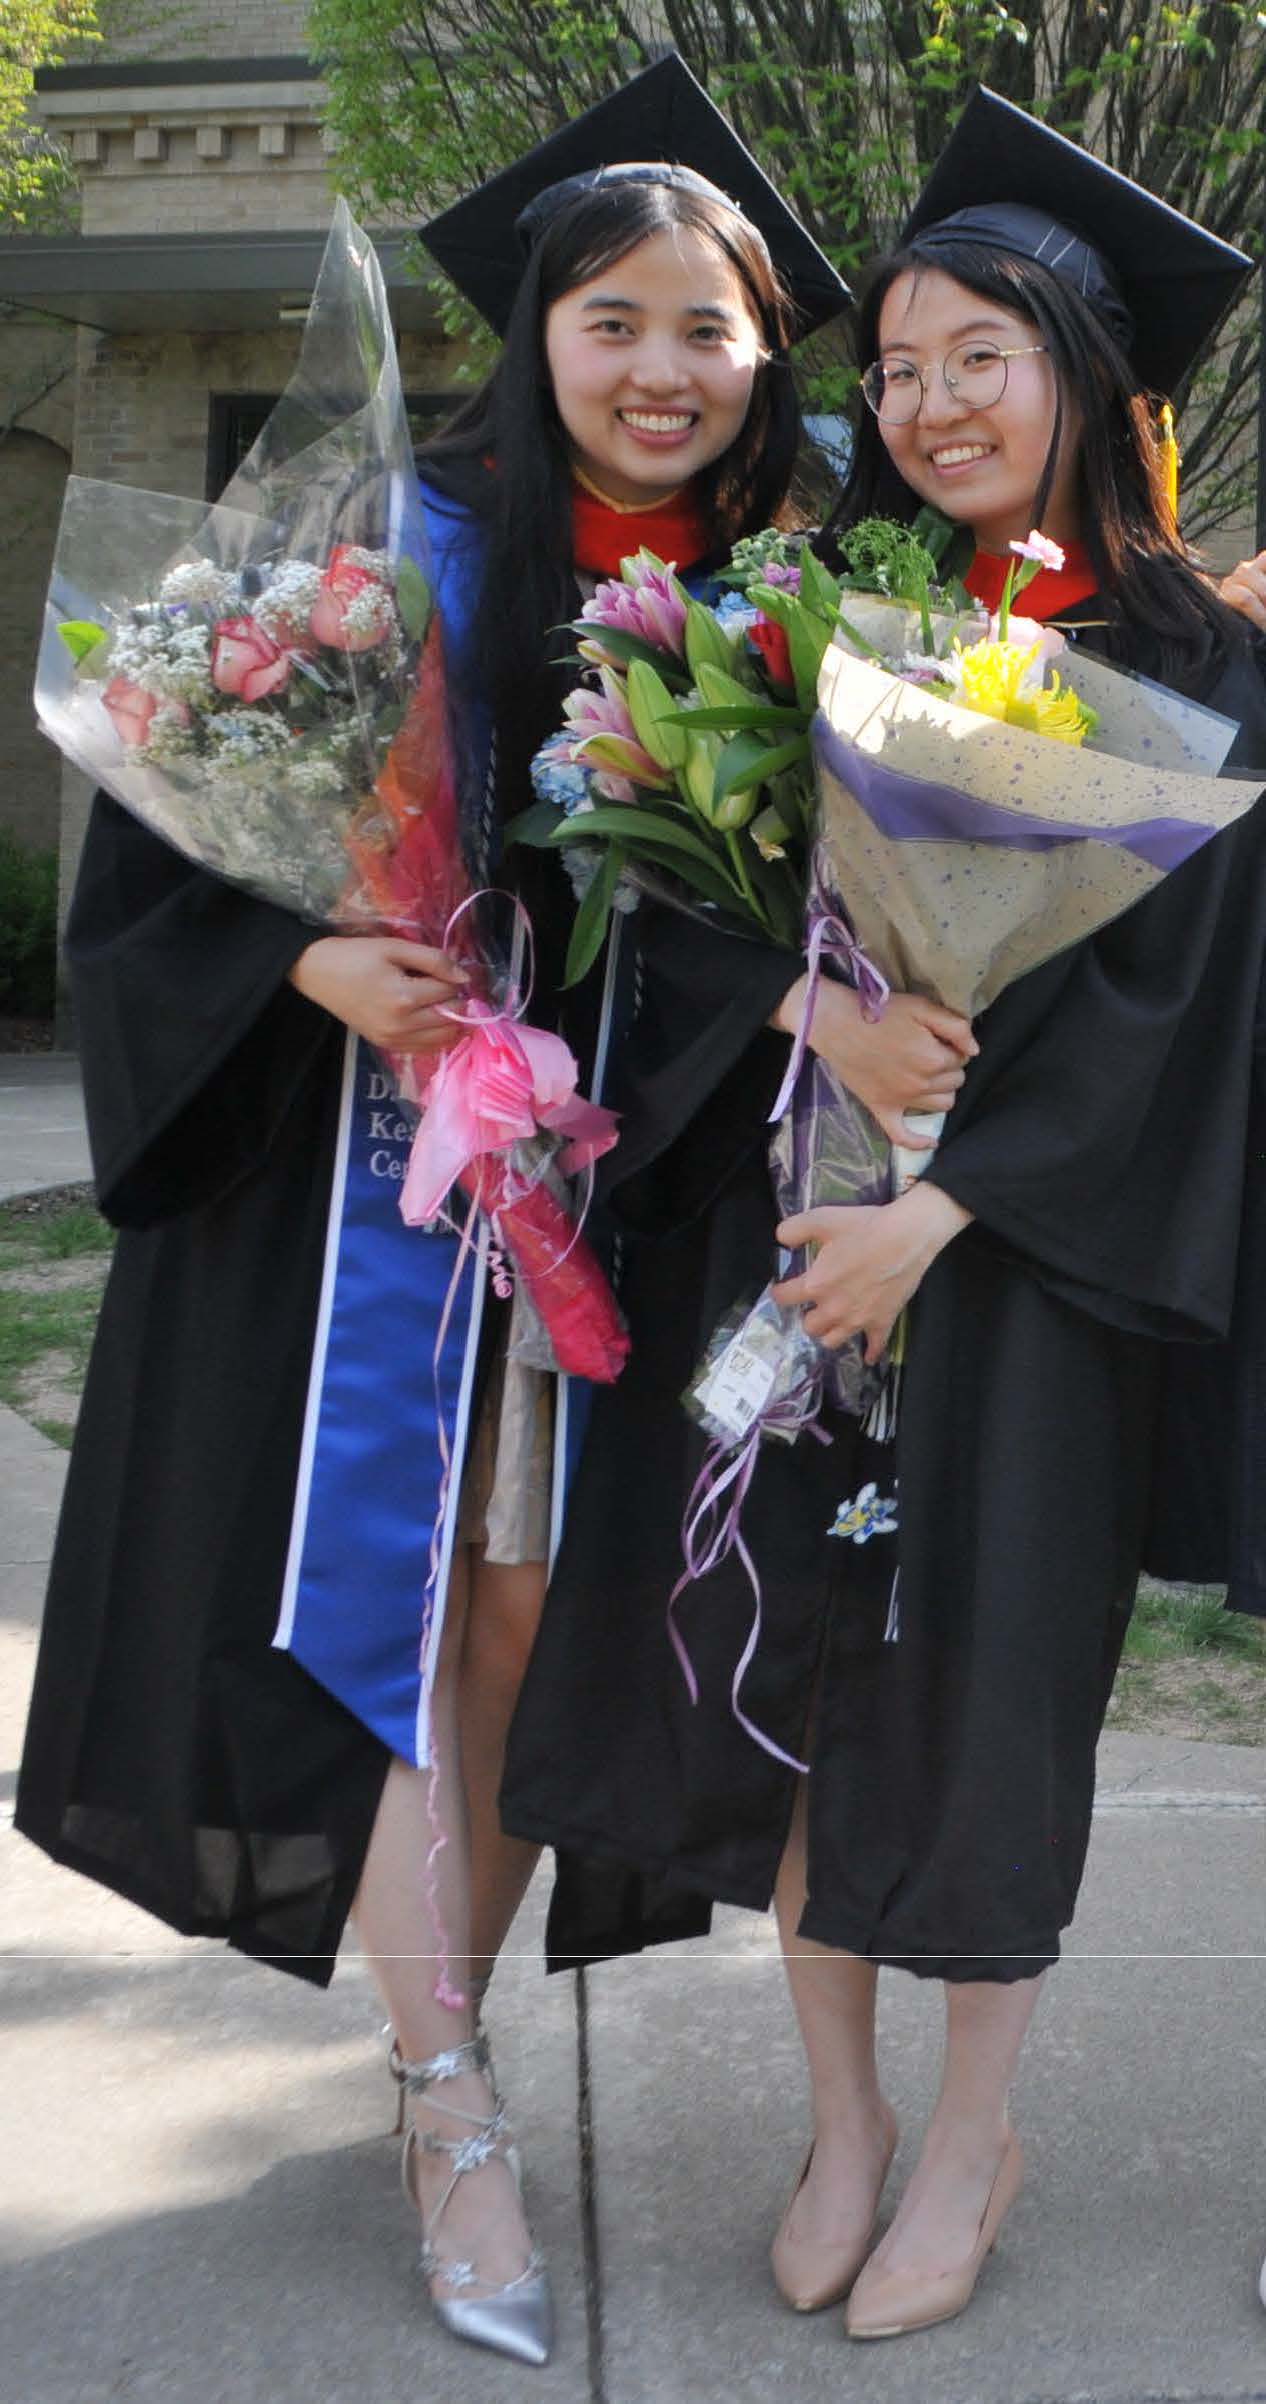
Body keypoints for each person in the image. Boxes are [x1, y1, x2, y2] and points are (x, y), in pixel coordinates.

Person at [16, 51, 918, 2373]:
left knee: (528, 1635)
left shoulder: (803, 592)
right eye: (613, 317)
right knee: (423, 1623)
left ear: (759, 357)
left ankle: (444, 2048)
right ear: (539, 332)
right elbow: (167, 822)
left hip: (655, 1207)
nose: (658, 367)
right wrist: (311, 952)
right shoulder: (386, 539)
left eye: (705, 329)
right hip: (388, 1204)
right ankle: (447, 2097)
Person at [502, 85, 1266, 2340]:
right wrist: (816, 1023)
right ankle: (838, 2115)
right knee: (789, 1683)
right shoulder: (820, 611)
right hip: (788, 1250)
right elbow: (690, 905)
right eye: (902, 365)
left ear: (1088, 385)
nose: (928, 404)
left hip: (1019, 1287)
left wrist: (952, 1214)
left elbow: (1186, 1010)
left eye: (981, 359)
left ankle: (971, 2128)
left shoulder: (1201, 660)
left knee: (981, 1696)